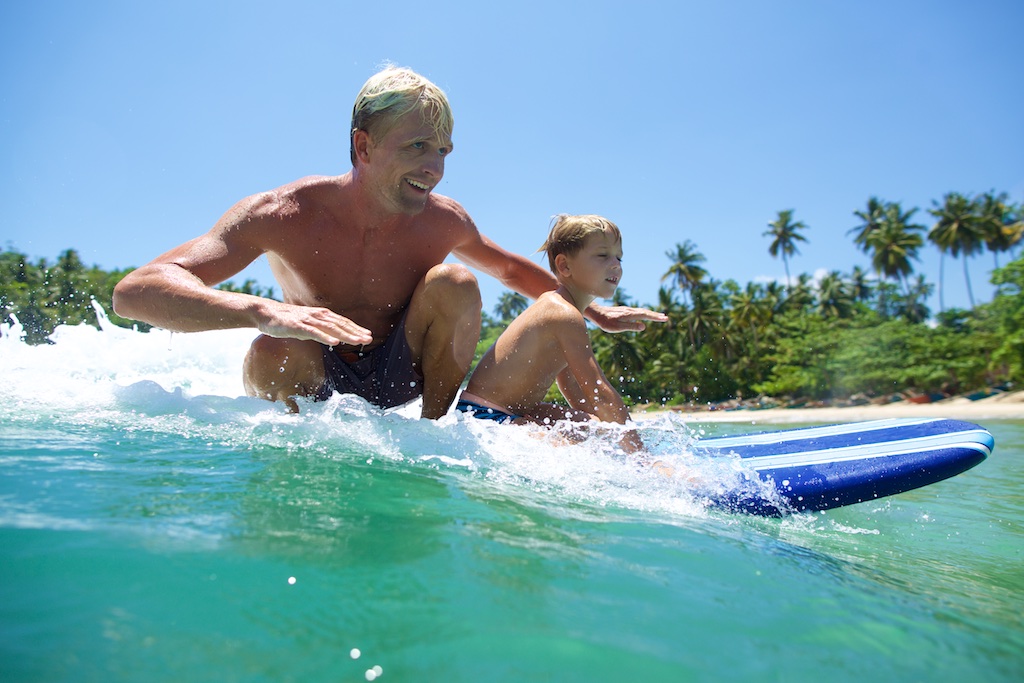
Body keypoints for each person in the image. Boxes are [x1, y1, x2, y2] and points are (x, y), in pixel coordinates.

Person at [112, 66, 666, 418]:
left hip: (403, 375)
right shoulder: (280, 213)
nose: (434, 168)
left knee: (456, 281)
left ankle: (433, 433)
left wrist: (597, 313)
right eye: (418, 146)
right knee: (271, 345)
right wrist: (263, 311)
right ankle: (295, 453)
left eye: (444, 151)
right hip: (314, 372)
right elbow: (136, 292)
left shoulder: (443, 220)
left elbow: (516, 275)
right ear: (364, 145)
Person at [458, 214, 647, 453]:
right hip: (485, 418)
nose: (615, 265)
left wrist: (596, 426)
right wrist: (643, 458)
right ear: (564, 266)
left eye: (619, 257)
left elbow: (570, 384)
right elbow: (599, 391)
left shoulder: (564, 312)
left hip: (501, 411)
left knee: (597, 432)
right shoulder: (562, 314)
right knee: (578, 452)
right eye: (602, 255)